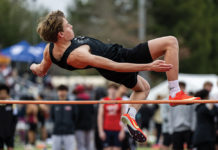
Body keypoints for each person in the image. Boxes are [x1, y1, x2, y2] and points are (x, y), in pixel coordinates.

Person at [30, 10, 200, 142]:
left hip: (117, 61)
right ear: (60, 35)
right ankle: (175, 92)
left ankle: (130, 115)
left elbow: (41, 70)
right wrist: (149, 66)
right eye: (68, 26)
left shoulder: (50, 50)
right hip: (122, 60)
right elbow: (115, 65)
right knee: (171, 42)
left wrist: (33, 66)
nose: (71, 26)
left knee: (144, 89)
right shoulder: (77, 55)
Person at [169, 81, 196, 150]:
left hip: (188, 128)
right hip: (176, 128)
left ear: (184, 88)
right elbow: (170, 115)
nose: (180, 89)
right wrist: (171, 128)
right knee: (177, 147)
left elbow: (193, 114)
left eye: (182, 87)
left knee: (191, 147)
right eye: (179, 88)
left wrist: (193, 127)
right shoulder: (172, 100)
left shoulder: (189, 99)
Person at [98, 83, 125, 150]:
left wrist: (122, 131)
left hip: (117, 129)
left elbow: (123, 117)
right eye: (111, 89)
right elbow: (100, 117)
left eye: (114, 89)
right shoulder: (104, 101)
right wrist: (100, 131)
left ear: (117, 90)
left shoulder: (121, 101)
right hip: (106, 129)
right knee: (107, 148)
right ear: (108, 90)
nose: (112, 91)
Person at [50, 85, 77, 150]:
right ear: (57, 92)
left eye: (63, 90)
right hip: (56, 132)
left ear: (66, 92)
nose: (62, 92)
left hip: (69, 132)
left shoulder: (71, 104)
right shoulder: (54, 104)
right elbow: (52, 116)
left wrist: (70, 125)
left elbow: (75, 116)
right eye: (60, 90)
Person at [74, 84, 95, 150]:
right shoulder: (89, 99)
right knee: (88, 145)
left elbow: (75, 114)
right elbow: (92, 112)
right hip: (89, 125)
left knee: (81, 145)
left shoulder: (77, 99)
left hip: (79, 126)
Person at [0, 84, 17, 150]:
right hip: (0, 131)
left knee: (10, 147)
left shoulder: (12, 102)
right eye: (1, 93)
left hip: (9, 131)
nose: (2, 95)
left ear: (7, 94)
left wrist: (13, 129)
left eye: (4, 93)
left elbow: (15, 117)